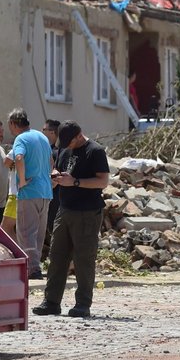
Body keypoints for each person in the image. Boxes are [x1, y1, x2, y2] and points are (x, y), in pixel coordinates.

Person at [34, 120, 109, 318]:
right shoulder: (65, 150)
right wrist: (55, 177)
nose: (67, 146)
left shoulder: (95, 151)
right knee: (57, 258)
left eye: (70, 141)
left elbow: (103, 181)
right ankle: (51, 302)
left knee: (84, 259)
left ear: (79, 135)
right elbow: (59, 173)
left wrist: (75, 182)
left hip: (87, 212)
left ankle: (83, 304)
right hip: (64, 210)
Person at [7, 108, 52, 281]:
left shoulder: (21, 138)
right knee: (38, 234)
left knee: (26, 232)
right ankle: (35, 266)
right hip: (45, 192)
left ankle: (31, 270)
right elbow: (50, 162)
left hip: (29, 191)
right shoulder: (42, 137)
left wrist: (23, 180)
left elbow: (18, 158)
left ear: (13, 123)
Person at [40, 119, 62, 262]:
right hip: (52, 197)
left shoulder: (54, 153)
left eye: (44, 130)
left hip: (53, 198)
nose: (42, 132)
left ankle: (59, 261)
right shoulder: (54, 151)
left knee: (54, 229)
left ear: (52, 133)